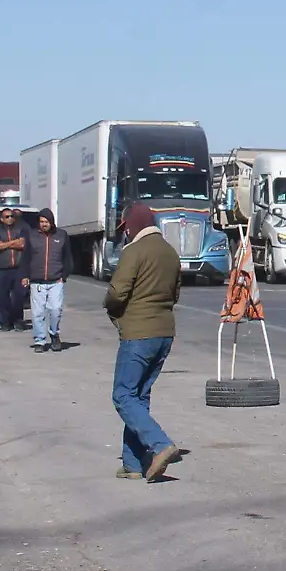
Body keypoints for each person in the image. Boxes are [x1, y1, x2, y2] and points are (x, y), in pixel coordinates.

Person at [104, 203, 183, 481]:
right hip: (164, 332)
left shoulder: (134, 252)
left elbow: (117, 292)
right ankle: (133, 464)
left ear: (132, 224)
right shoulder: (171, 253)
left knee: (123, 395)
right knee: (140, 395)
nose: (124, 233)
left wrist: (110, 305)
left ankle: (160, 445)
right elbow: (175, 294)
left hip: (139, 333)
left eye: (125, 228)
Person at [25, 209, 72, 352]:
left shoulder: (61, 235)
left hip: (55, 281)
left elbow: (67, 257)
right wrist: (25, 276)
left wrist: (63, 276)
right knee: (37, 313)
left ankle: (54, 335)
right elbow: (26, 257)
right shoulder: (32, 236)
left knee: (55, 310)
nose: (44, 224)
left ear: (52, 222)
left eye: (46, 222)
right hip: (37, 282)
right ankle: (40, 341)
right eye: (41, 222)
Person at [0, 207, 31, 332]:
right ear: (2, 219)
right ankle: (5, 323)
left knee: (18, 297)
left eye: (11, 216)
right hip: (4, 269)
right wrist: (13, 243)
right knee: (2, 297)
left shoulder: (20, 229)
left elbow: (23, 244)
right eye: (7, 217)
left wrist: (5, 244)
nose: (10, 219)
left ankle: (18, 321)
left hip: (19, 268)